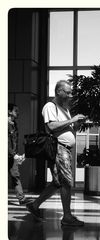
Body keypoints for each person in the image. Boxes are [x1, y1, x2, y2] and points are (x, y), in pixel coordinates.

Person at [26, 80, 86, 226]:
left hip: (65, 149)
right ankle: (67, 216)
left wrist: (76, 124)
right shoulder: (50, 106)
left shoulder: (64, 108)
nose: (70, 95)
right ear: (59, 91)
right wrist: (72, 119)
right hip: (59, 148)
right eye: (67, 92)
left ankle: (34, 205)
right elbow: (51, 126)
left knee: (58, 182)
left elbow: (69, 129)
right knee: (66, 182)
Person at [8, 103, 31, 205]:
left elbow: (14, 142)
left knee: (15, 176)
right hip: (8, 155)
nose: (18, 113)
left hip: (12, 156)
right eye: (16, 111)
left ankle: (21, 199)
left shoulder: (14, 124)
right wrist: (14, 154)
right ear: (9, 112)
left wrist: (17, 155)